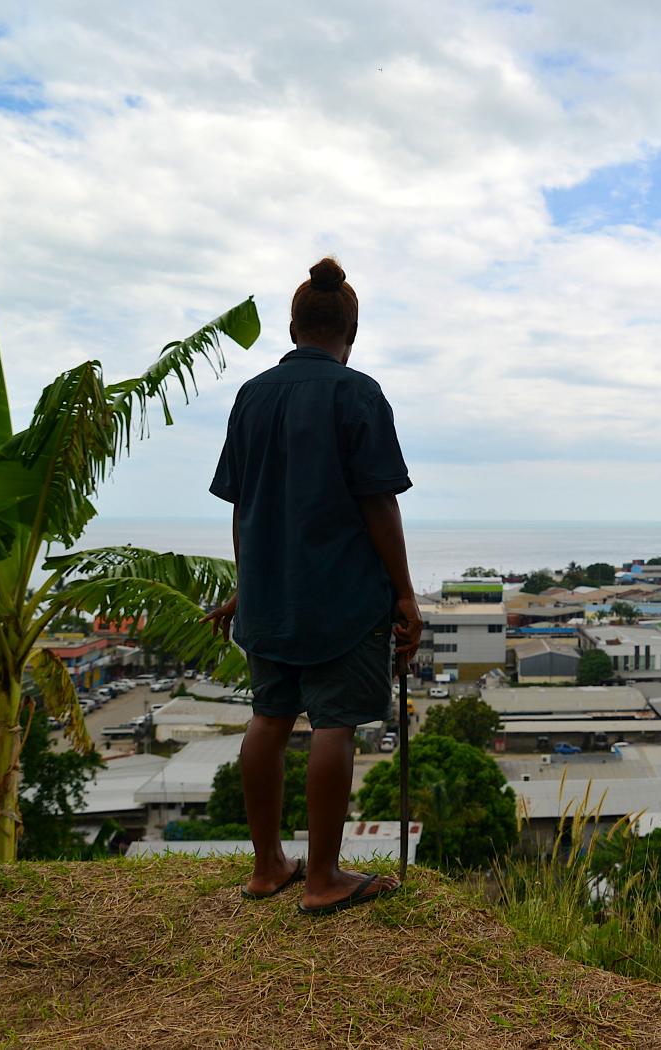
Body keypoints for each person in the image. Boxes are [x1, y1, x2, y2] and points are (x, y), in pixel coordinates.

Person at [204, 257, 423, 915]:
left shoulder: (251, 396)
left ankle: (268, 866)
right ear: (349, 331)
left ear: (293, 325)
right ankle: (324, 876)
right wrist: (406, 594)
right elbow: (378, 503)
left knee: (268, 718)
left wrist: (248, 585)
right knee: (335, 723)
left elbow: (242, 506)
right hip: (342, 599)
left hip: (269, 596)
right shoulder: (357, 394)